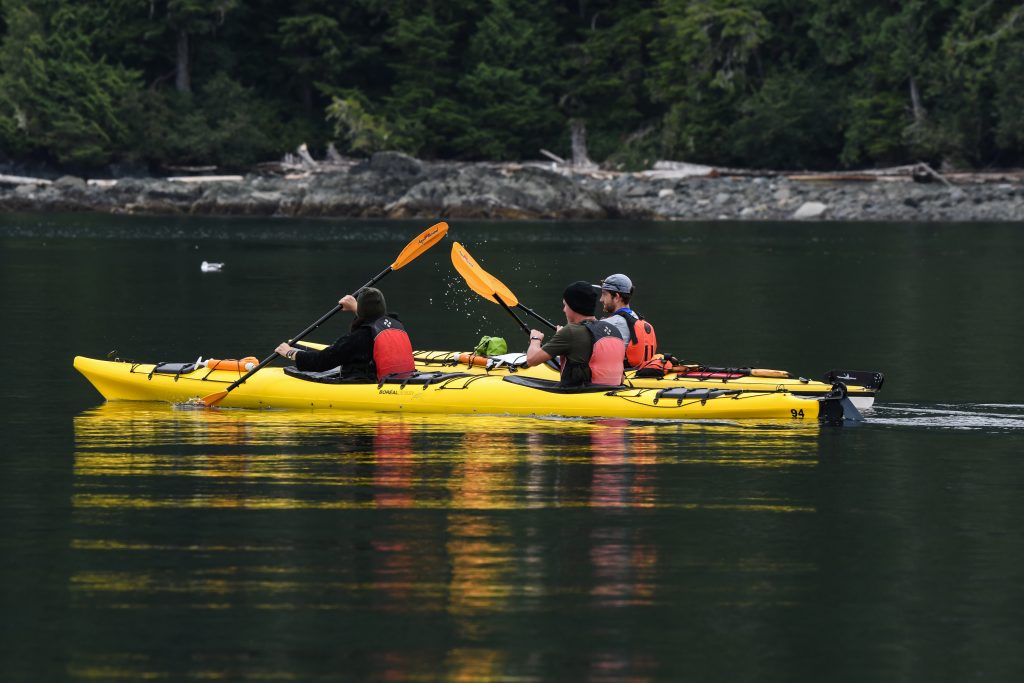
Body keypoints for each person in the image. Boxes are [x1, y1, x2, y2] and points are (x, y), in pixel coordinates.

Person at [274, 287, 414, 382]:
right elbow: (376, 317)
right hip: (398, 379)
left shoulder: (357, 339)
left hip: (365, 384)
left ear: (361, 309)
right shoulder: (396, 324)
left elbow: (322, 361)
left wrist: (291, 353)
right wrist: (357, 308)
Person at [525, 281, 625, 387]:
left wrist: (535, 339)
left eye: (565, 305)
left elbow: (531, 360)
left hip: (580, 395)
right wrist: (563, 335)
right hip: (611, 392)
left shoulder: (570, 332)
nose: (564, 310)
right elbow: (621, 377)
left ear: (573, 306)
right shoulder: (614, 330)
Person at [593, 273, 657, 368]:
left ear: (617, 297)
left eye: (604, 294)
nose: (601, 299)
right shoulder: (636, 317)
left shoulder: (611, 323)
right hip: (637, 370)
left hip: (621, 375)